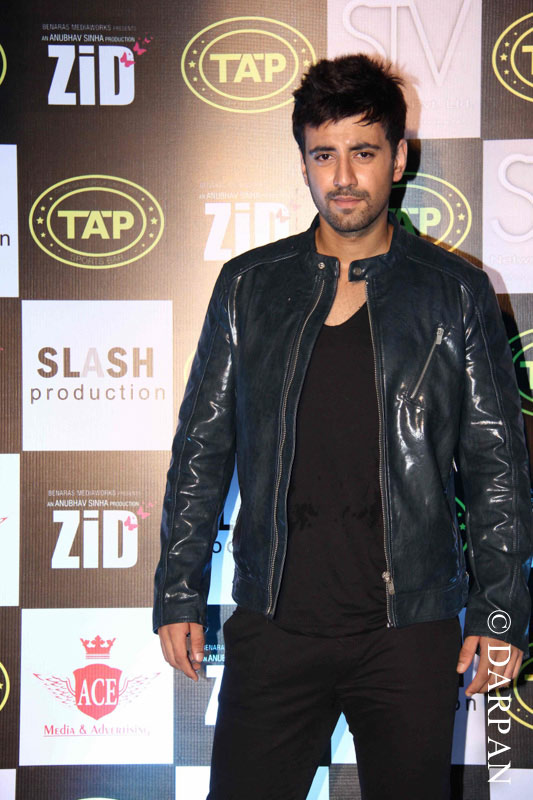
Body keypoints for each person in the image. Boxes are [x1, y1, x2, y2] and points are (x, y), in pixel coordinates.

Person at [153, 54, 532, 800]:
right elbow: (202, 448)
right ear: (303, 163)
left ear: (398, 159)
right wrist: (177, 591)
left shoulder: (454, 292)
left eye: (363, 152)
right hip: (274, 624)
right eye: (324, 155)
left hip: (409, 630)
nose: (344, 176)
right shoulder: (249, 285)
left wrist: (499, 611)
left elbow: (497, 467)